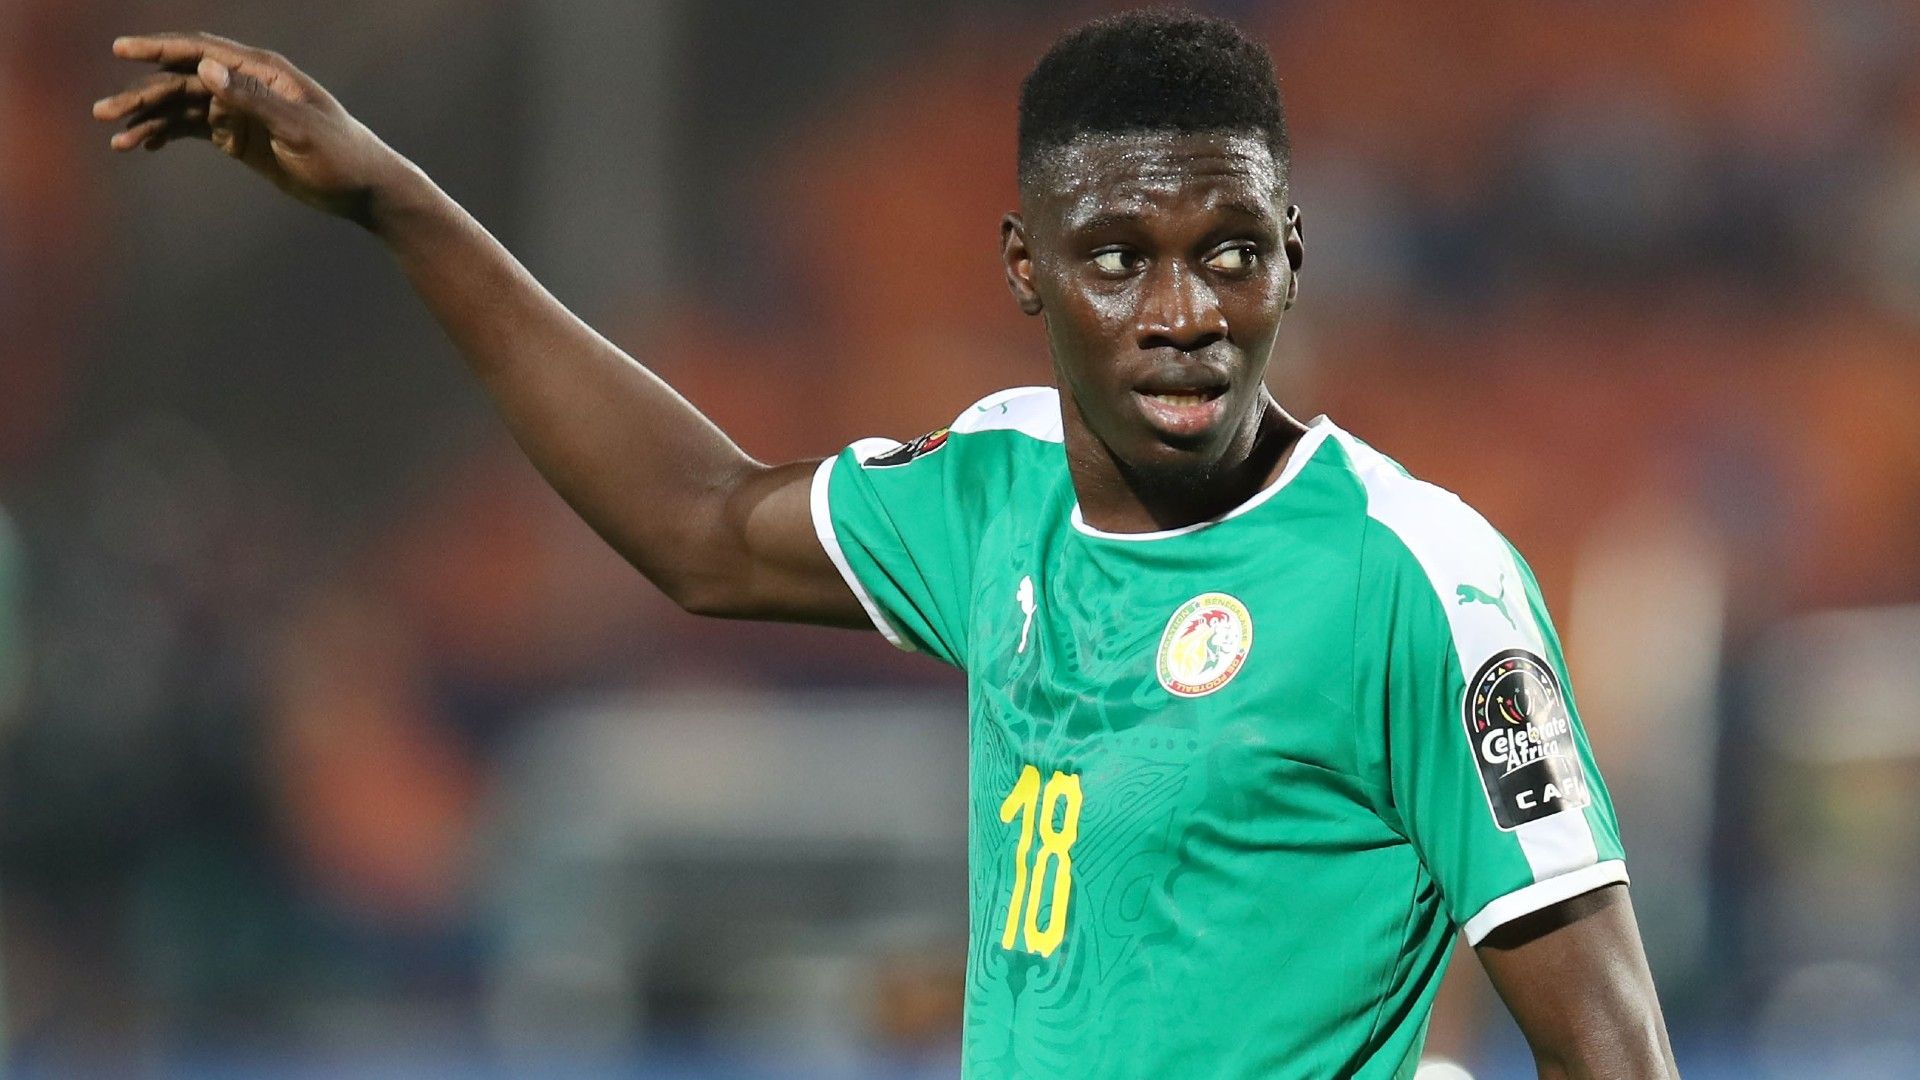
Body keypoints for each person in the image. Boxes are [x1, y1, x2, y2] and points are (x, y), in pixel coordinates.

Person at [92, 10, 1678, 1077]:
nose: (1186, 313)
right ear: (1026, 268)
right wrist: (397, 204)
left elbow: (1612, 1045)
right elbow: (698, 526)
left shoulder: (1423, 585)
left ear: (1293, 260)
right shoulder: (995, 484)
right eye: (1118, 257)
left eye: (1233, 255)